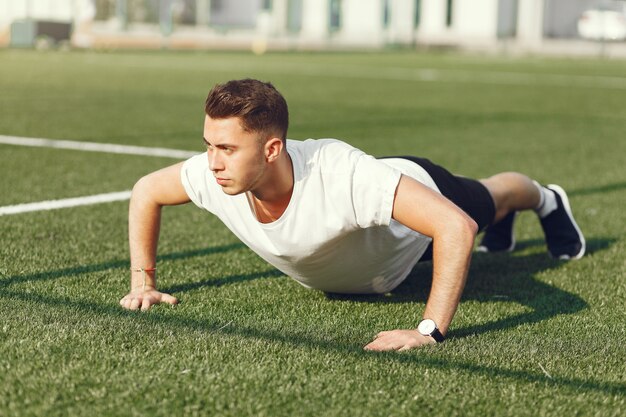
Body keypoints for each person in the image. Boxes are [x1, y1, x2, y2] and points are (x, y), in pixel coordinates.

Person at [119, 79, 585, 352]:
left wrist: (429, 331)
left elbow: (453, 226)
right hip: (373, 254)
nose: (212, 162)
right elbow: (145, 192)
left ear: (273, 148)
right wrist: (143, 281)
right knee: (482, 217)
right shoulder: (213, 174)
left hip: (412, 212)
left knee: (491, 199)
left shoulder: (339, 175)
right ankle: (508, 220)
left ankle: (546, 199)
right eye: (208, 146)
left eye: (225, 148)